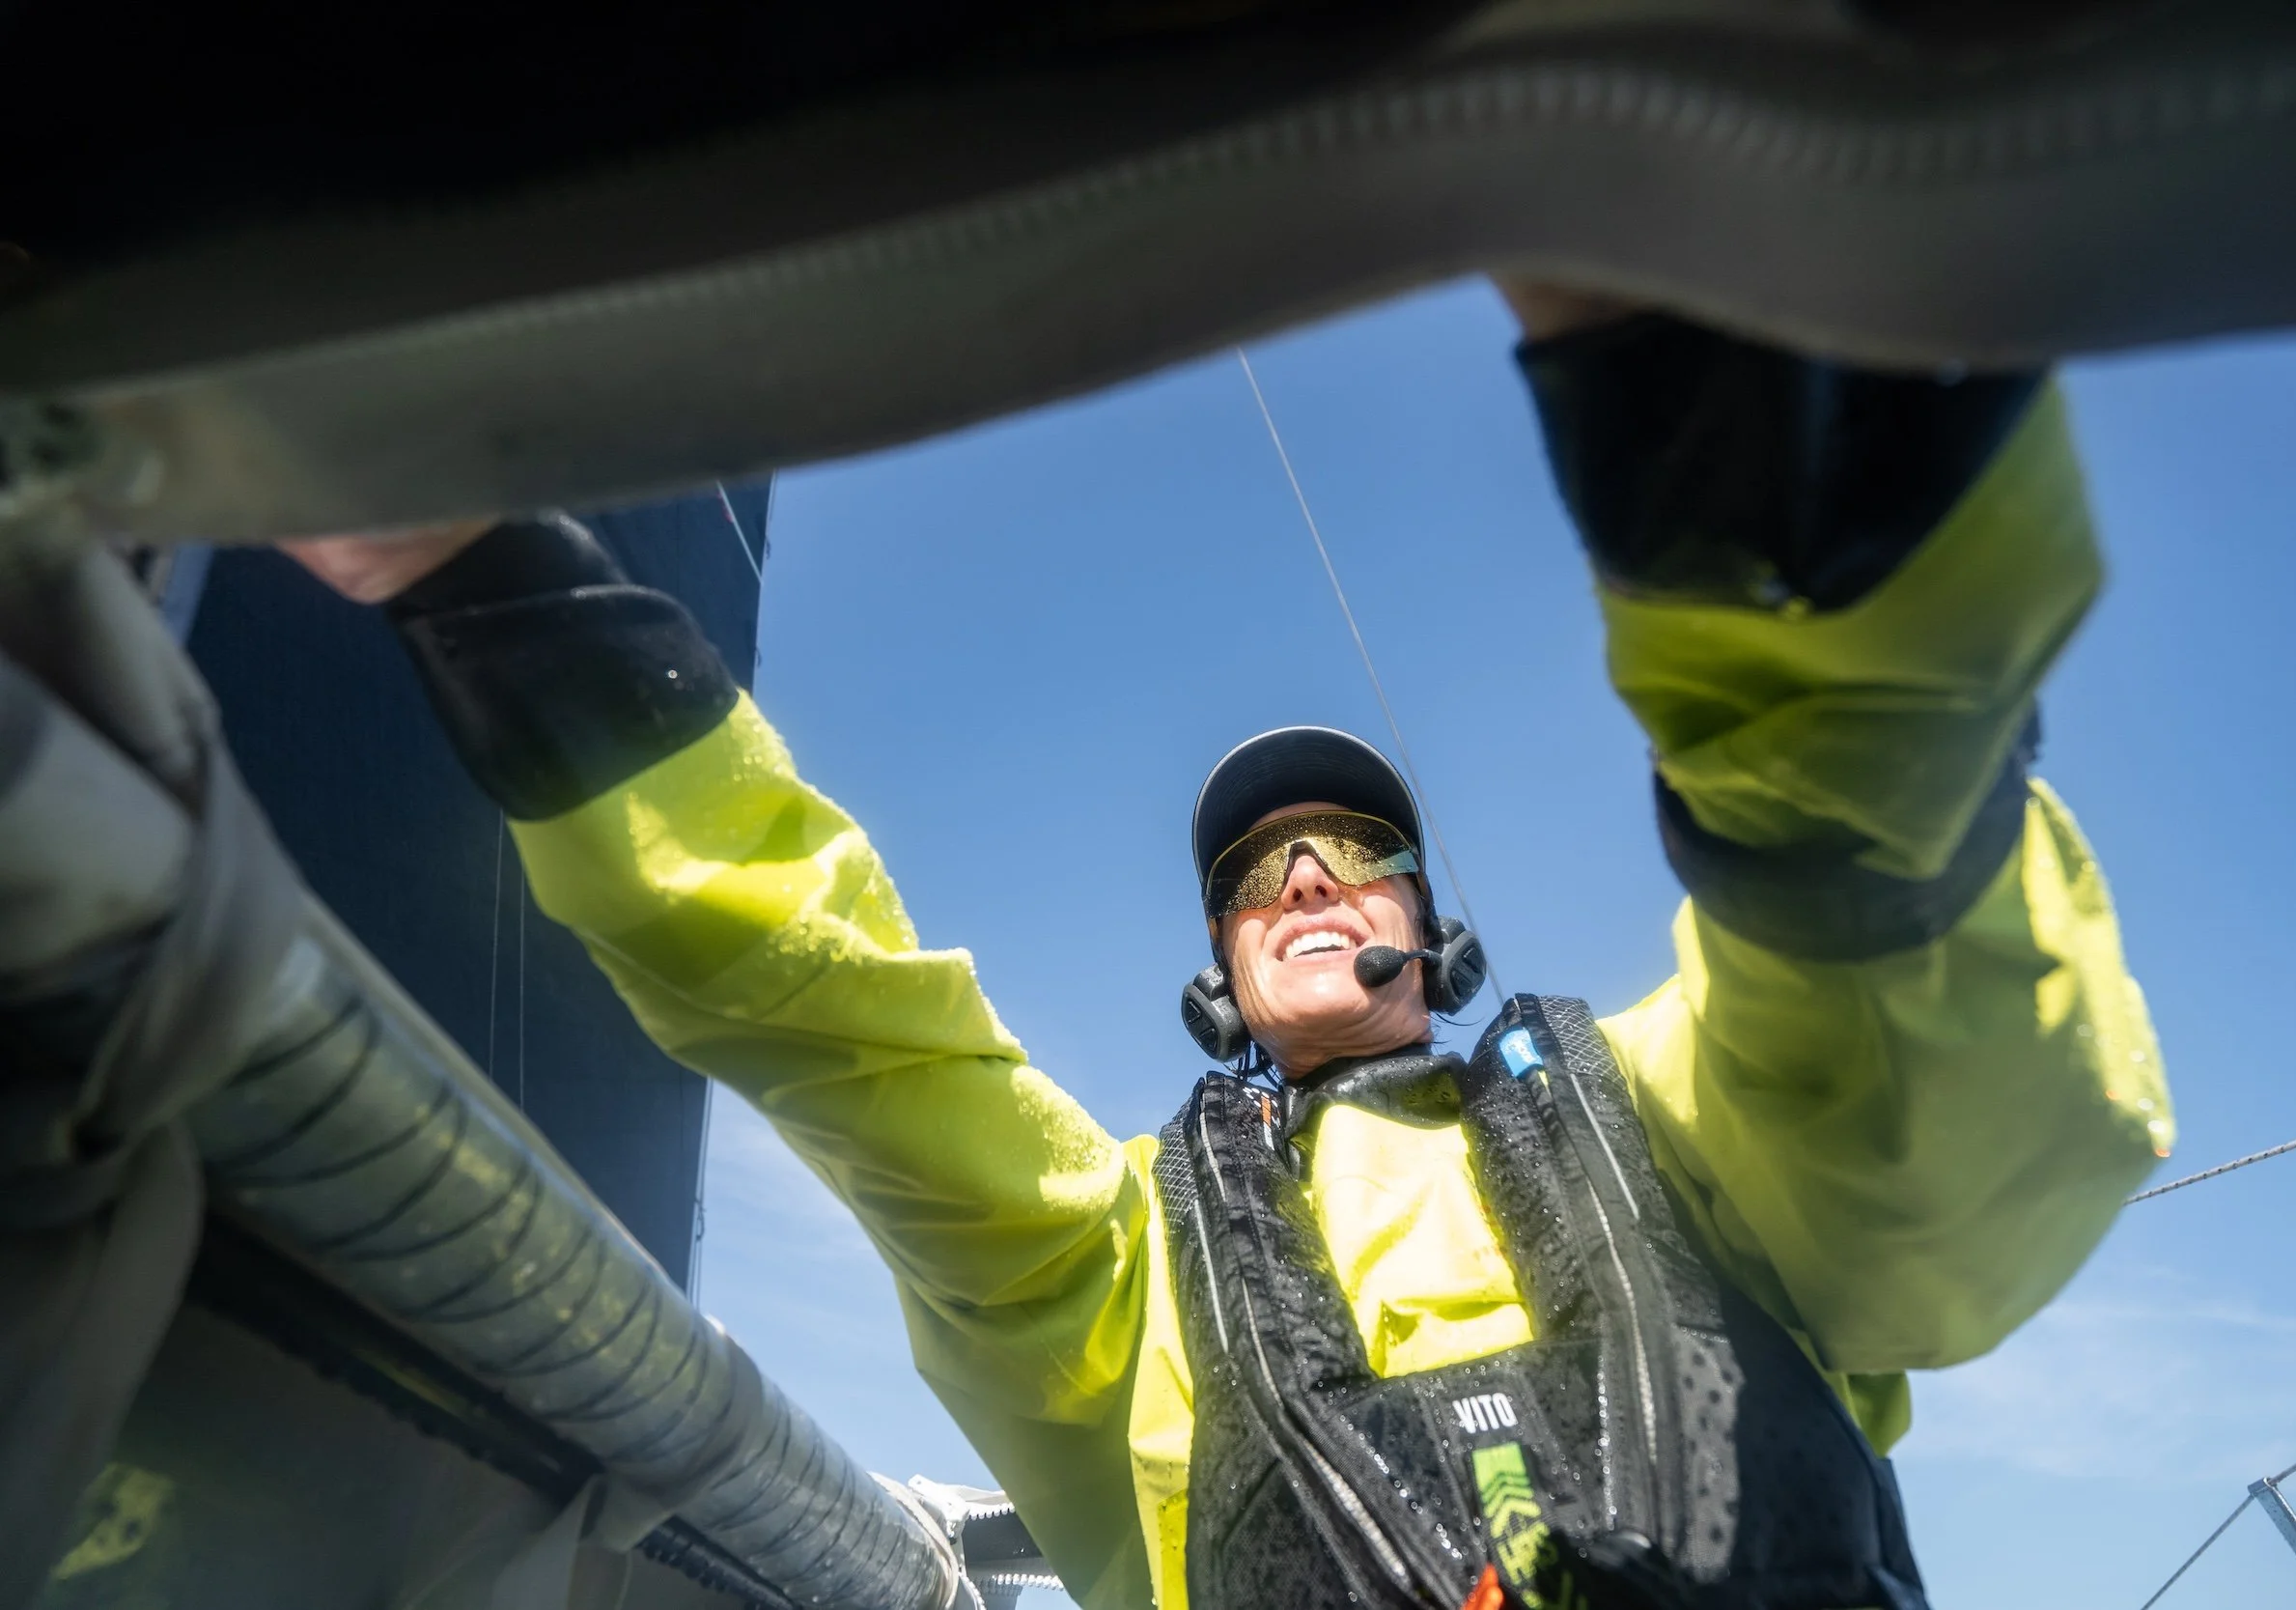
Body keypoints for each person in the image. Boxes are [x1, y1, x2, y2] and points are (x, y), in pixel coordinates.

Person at [288, 284, 2171, 1610]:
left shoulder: (1688, 1119)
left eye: (1359, 850)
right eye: (1261, 867)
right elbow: (830, 1013)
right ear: (1215, 973)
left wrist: (1733, 433)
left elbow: (1911, 1004)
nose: (1308, 877)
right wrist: (489, 588)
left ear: (1437, 932)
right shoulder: (1109, 1266)